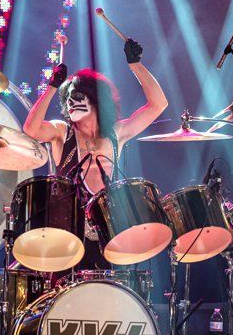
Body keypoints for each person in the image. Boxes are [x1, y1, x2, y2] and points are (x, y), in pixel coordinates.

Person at [22, 38, 168, 271]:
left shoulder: (117, 133)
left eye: (78, 96)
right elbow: (31, 129)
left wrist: (135, 65)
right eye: (68, 99)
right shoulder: (63, 132)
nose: (71, 103)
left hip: (108, 231)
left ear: (96, 99)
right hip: (66, 233)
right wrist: (52, 86)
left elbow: (158, 104)